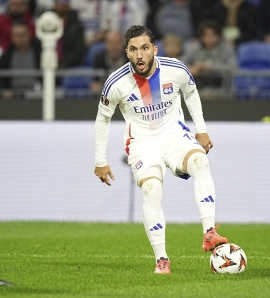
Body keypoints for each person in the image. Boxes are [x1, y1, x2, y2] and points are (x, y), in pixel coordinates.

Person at [93, 25, 228, 274]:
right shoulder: (116, 83)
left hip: (175, 136)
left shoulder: (175, 69)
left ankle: (210, 232)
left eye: (145, 48)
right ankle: (162, 259)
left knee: (200, 162)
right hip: (143, 146)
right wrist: (100, 160)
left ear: (154, 49)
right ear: (127, 52)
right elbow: (103, 120)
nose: (140, 55)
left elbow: (191, 92)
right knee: (152, 189)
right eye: (133, 50)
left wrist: (201, 129)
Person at [186, 20, 238, 89]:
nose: (209, 39)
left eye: (213, 35)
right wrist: (190, 69)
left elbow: (233, 68)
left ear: (219, 36)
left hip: (220, 87)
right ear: (201, 37)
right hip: (198, 86)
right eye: (206, 36)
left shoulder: (227, 48)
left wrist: (211, 67)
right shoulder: (195, 48)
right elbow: (180, 63)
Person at [0, 21, 41, 99]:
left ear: (29, 34)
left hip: (37, 94)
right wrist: (5, 90)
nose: (19, 38)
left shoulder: (39, 53)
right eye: (16, 35)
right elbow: (2, 77)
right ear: (12, 37)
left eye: (22, 35)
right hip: (12, 96)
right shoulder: (6, 56)